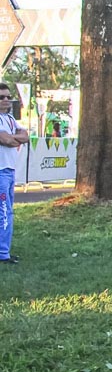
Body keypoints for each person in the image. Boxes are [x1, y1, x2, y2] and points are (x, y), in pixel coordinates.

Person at [0, 84, 29, 265]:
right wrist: (13, 138)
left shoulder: (10, 118)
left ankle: (5, 250)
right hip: (0, 172)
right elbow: (7, 140)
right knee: (3, 213)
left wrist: (14, 138)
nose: (6, 100)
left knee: (8, 212)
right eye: (1, 97)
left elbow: (24, 136)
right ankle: (3, 254)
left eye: (8, 97)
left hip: (9, 171)